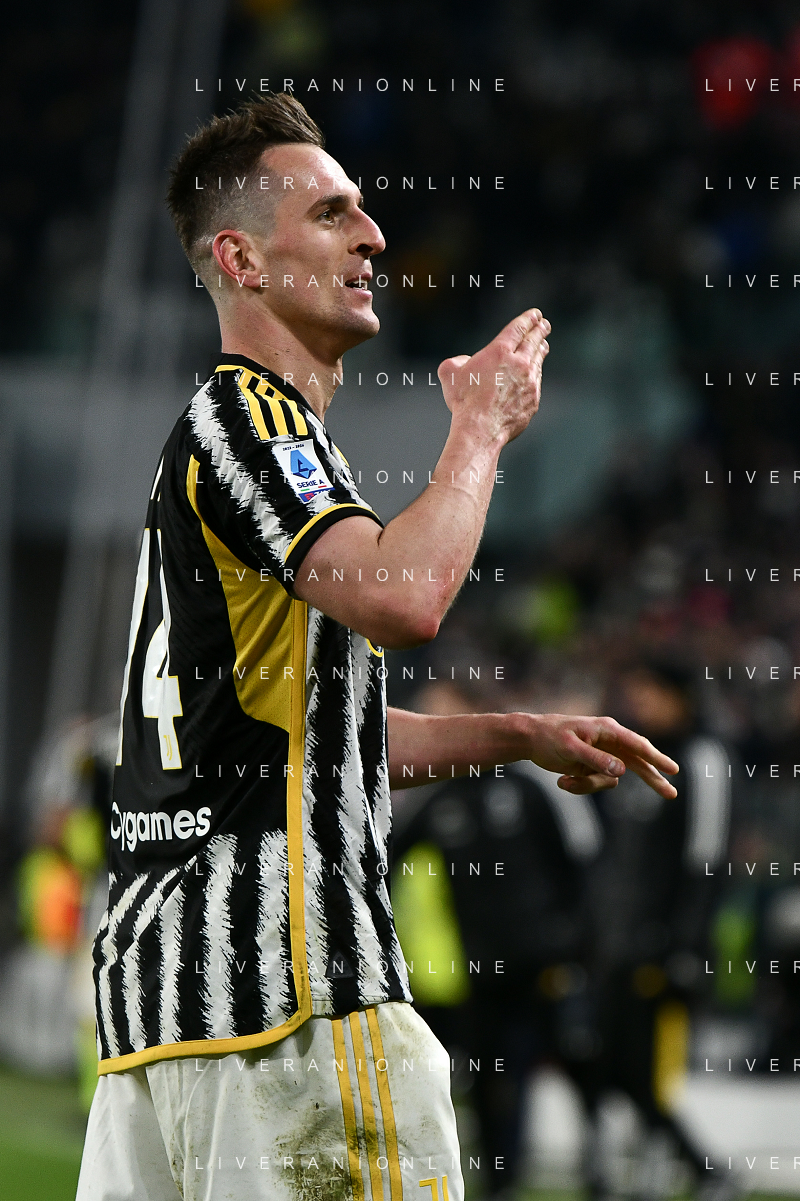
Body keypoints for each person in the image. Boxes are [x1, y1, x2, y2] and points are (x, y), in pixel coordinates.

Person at [75, 93, 679, 1201]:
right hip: (291, 996)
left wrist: (515, 733)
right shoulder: (249, 420)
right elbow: (405, 598)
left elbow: (300, 736)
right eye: (331, 213)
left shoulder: (223, 451)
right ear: (240, 260)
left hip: (163, 1017)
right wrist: (481, 428)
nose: (373, 236)